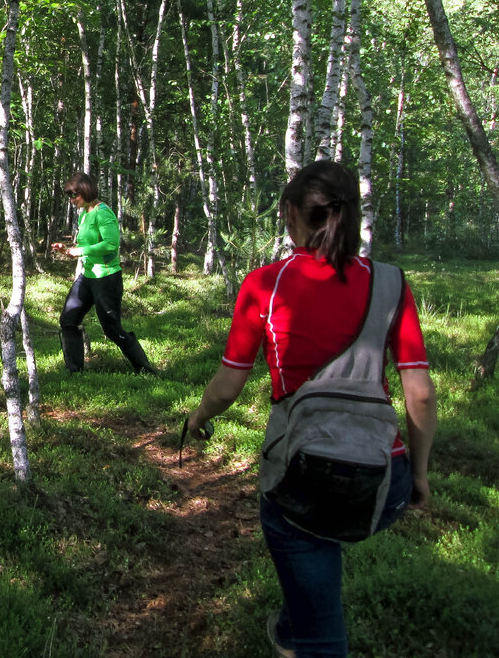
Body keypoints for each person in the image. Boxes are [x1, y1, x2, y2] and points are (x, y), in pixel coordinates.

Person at [185, 160, 437, 658]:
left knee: (320, 622)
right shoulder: (390, 282)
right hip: (386, 476)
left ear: (290, 214)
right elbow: (422, 393)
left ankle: (303, 629)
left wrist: (198, 418)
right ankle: (294, 623)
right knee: (315, 567)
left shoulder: (265, 284)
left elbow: (229, 384)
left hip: (303, 472)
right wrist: (419, 474)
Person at [51, 172, 157, 375]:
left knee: (112, 330)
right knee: (68, 320)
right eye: (69, 196)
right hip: (88, 276)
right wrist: (67, 249)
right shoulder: (84, 213)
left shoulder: (103, 213)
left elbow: (111, 244)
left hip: (106, 279)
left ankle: (145, 370)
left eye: (74, 195)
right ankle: (74, 371)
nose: (71, 200)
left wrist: (80, 251)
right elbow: (88, 244)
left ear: (85, 191)